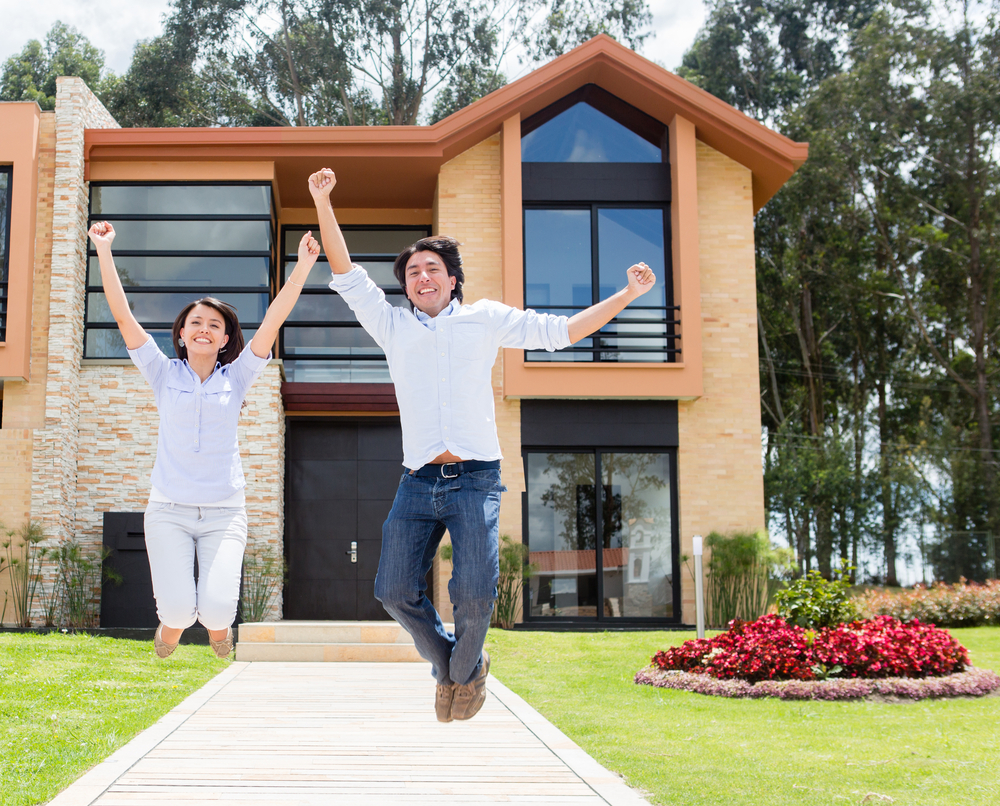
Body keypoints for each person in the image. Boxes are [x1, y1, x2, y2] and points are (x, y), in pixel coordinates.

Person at [307, 167, 656, 720]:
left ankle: (456, 679)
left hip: (475, 479)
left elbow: (561, 333)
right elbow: (347, 272)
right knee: (393, 590)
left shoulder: (486, 319)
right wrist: (323, 201)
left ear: (452, 279)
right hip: (417, 481)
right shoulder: (391, 326)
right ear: (407, 285)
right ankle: (458, 669)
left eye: (432, 268)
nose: (422, 277)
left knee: (473, 591)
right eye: (413, 271)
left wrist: (628, 294)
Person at [87, 220, 321, 659]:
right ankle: (171, 627)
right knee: (176, 610)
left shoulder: (238, 377)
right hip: (168, 510)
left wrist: (304, 265)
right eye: (196, 322)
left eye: (215, 324)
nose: (204, 329)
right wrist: (104, 249)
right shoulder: (162, 373)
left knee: (217, 613)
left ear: (226, 338)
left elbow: (274, 318)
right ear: (181, 334)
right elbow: (122, 315)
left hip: (224, 512)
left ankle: (218, 630)